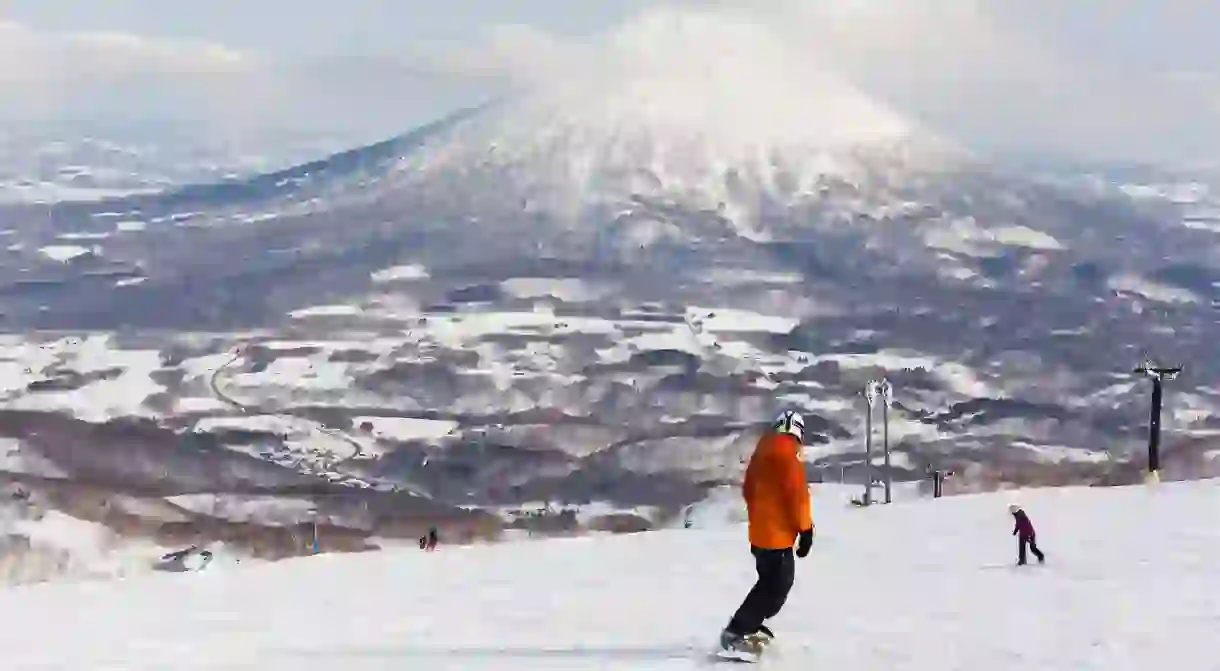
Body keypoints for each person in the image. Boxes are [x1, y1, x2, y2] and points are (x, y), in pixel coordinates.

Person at [720, 410, 815, 654]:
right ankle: (737, 632)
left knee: (768, 583)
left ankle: (748, 624)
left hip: (760, 535)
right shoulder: (788, 455)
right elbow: (798, 497)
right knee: (776, 586)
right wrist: (805, 530)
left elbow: (749, 491)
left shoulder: (762, 452)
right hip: (778, 537)